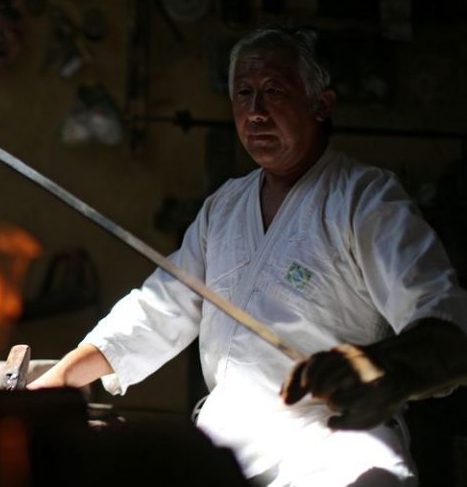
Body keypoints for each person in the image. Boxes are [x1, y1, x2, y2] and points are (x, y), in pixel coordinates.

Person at [28, 25, 467, 486]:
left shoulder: (364, 198)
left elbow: (446, 324)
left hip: (336, 443)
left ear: (321, 105)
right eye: (243, 94)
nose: (255, 112)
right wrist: (60, 379)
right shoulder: (225, 206)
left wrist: (380, 369)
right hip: (231, 441)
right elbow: (161, 307)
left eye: (274, 91)